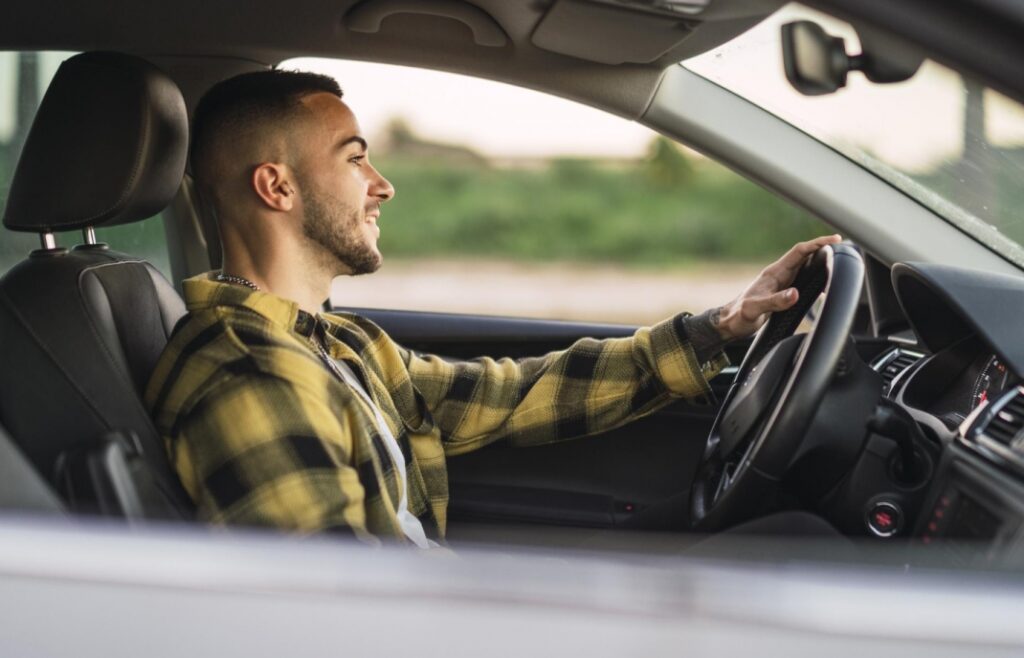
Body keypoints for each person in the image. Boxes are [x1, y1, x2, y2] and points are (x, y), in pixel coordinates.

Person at [145, 70, 841, 547]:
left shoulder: (337, 343)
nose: (382, 186)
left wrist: (721, 326)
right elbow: (332, 610)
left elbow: (511, 395)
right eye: (356, 159)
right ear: (277, 186)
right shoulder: (250, 375)